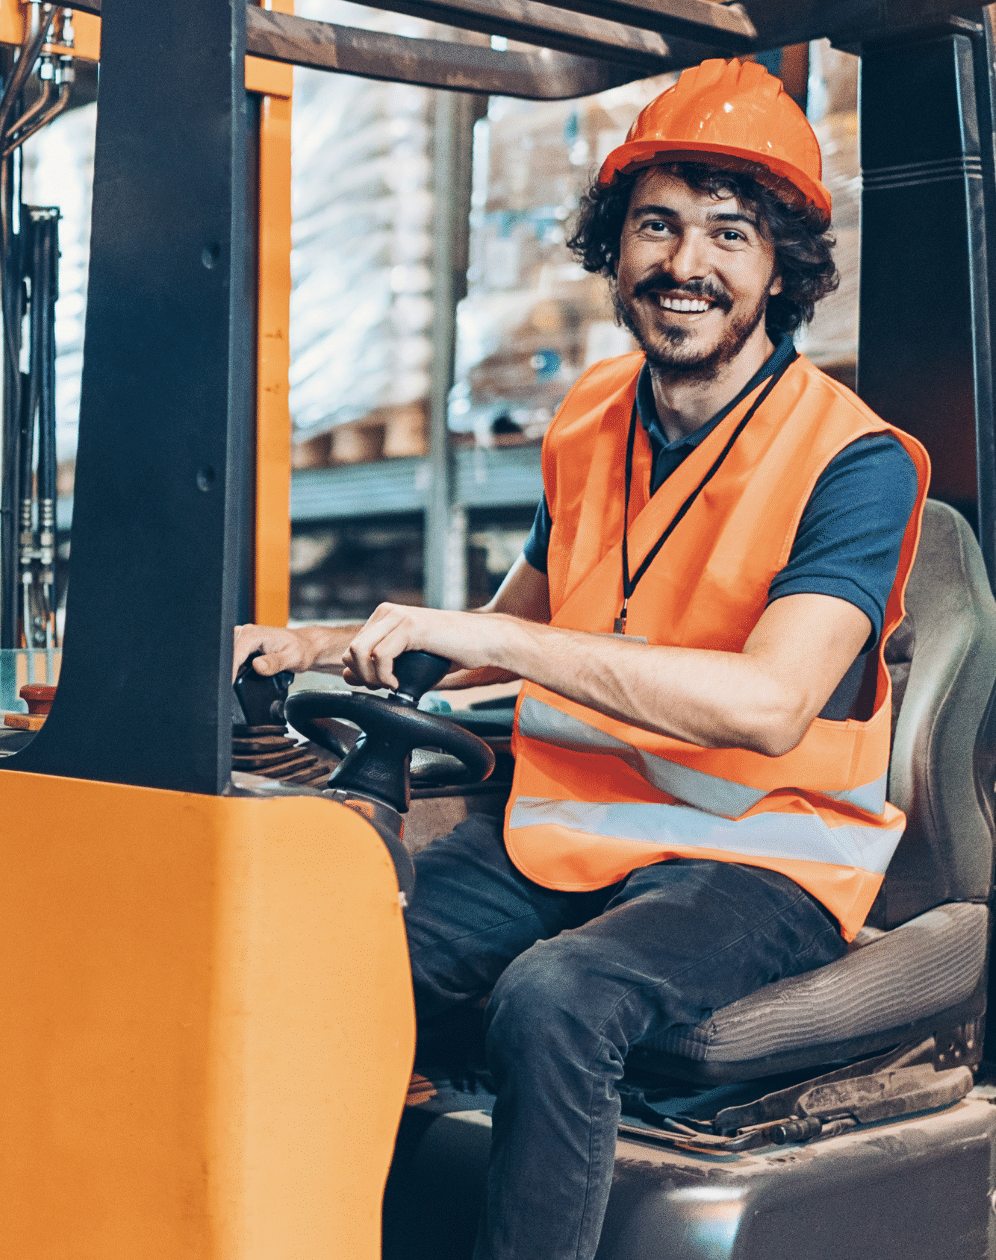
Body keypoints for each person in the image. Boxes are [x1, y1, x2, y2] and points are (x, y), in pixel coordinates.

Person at [235, 59, 929, 1260]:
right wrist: (324, 644)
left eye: (728, 232)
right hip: (566, 833)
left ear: (782, 270)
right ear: (616, 249)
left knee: (558, 1001)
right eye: (656, 223)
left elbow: (770, 709)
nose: (686, 262)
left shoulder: (854, 460)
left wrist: (499, 640)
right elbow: (511, 620)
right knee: (321, 956)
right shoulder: (592, 419)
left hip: (760, 861)